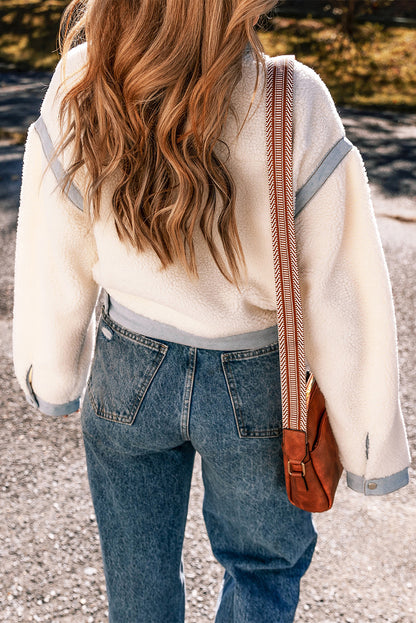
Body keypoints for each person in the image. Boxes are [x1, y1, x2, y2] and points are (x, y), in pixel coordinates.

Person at [13, 1, 411, 621]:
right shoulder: (293, 100)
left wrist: (51, 372)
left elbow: (53, 243)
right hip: (255, 379)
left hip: (127, 370)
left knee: (137, 584)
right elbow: (338, 287)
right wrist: (368, 445)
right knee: (261, 570)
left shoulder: (83, 80)